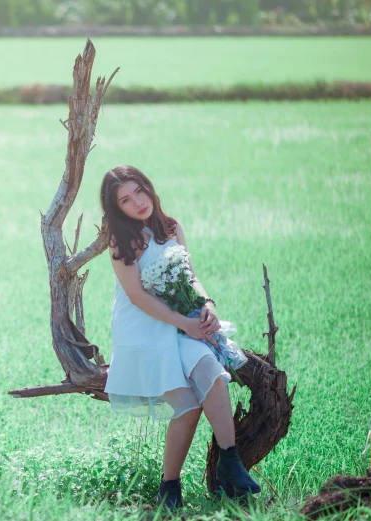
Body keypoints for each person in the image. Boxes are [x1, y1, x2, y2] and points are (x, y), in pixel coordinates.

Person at [99, 165, 261, 511]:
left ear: (148, 187)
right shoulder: (122, 241)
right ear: (118, 209)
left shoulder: (171, 227)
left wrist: (207, 305)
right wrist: (183, 324)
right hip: (143, 329)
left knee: (213, 373)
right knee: (187, 405)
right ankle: (169, 489)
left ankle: (230, 463)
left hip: (178, 324)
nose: (137, 202)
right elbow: (137, 297)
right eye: (125, 200)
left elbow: (190, 276)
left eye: (139, 191)